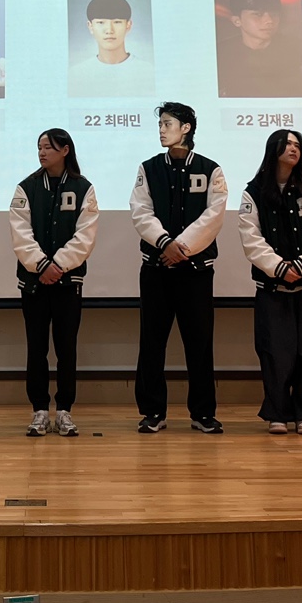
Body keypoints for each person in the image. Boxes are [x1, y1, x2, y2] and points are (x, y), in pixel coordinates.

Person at [130, 102, 228, 434]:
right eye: (160, 124)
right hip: (156, 269)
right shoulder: (149, 168)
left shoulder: (210, 169)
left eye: (168, 123)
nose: (161, 130)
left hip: (196, 271)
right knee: (152, 342)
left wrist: (181, 247)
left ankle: (203, 413)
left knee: (199, 342)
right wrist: (164, 243)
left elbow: (214, 215)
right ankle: (153, 412)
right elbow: (140, 210)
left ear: (186, 128)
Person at [238, 129, 302, 435]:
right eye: (287, 144)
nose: (293, 149)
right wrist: (279, 268)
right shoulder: (254, 192)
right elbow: (251, 238)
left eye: (297, 145)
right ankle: (277, 413)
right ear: (273, 149)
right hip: (273, 290)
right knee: (275, 355)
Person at [9, 129, 99, 437]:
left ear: (65, 150)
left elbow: (85, 235)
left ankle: (64, 411)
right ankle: (39, 411)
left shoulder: (83, 188)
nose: (42, 152)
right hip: (34, 283)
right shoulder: (27, 187)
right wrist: (42, 265)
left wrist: (58, 265)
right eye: (39, 147)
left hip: (68, 282)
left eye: (48, 147)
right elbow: (20, 233)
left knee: (66, 349)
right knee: (36, 349)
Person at [216, 0, 302, 99]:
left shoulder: (298, 49)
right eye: (258, 14)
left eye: (274, 15)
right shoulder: (221, 54)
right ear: (237, 21)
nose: (269, 21)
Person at [68, 0, 155, 98]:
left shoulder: (148, 72)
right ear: (90, 26)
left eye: (117, 22)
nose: (109, 30)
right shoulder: (77, 74)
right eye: (101, 22)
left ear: (128, 25)